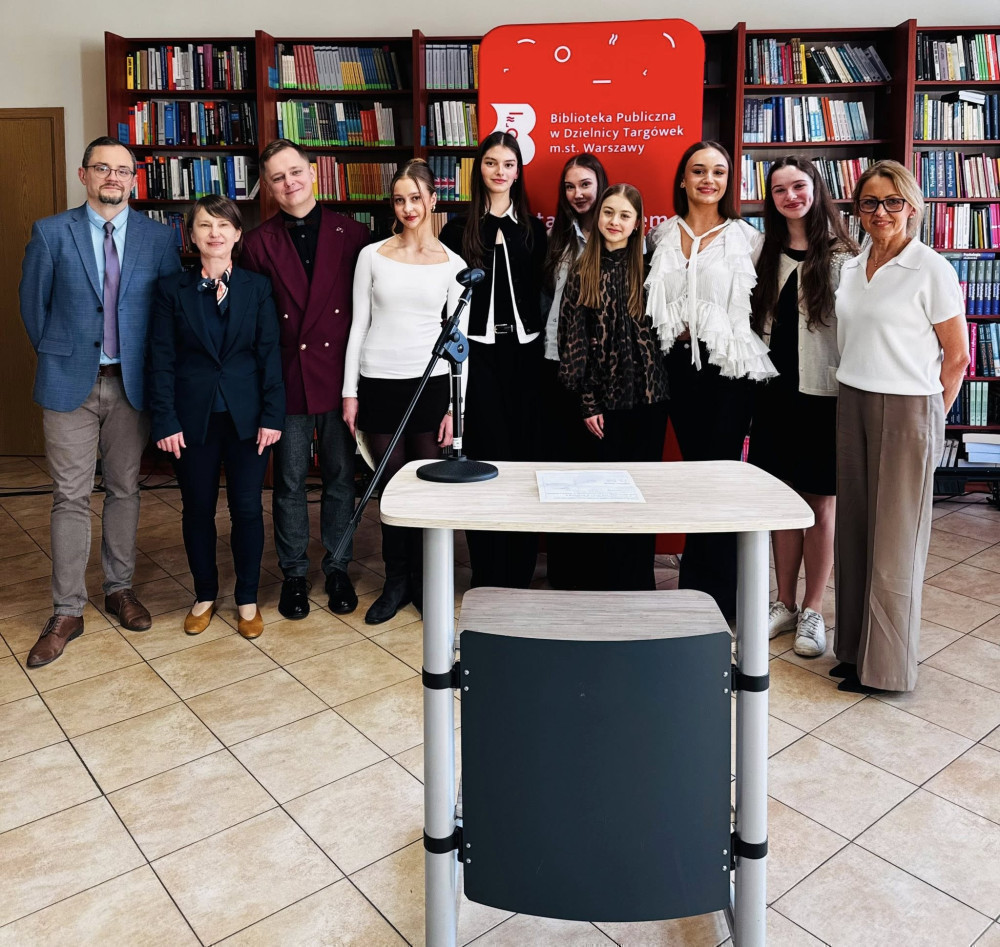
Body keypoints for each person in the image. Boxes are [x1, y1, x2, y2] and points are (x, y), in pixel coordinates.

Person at [18, 136, 181, 669]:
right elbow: (33, 309)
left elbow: (167, 314)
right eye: (102, 168)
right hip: (70, 384)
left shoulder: (159, 238)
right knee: (69, 495)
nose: (113, 177)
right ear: (83, 174)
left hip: (132, 385)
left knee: (125, 488)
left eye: (123, 170)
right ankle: (67, 610)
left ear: (134, 179)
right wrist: (66, 356)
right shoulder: (50, 232)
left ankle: (119, 588)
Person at [833, 160, 968, 694]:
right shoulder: (852, 265)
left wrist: (932, 416)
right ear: (858, 210)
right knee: (855, 533)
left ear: (912, 207)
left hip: (909, 406)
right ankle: (853, 652)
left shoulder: (931, 268)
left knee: (895, 541)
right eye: (870, 202)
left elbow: (957, 357)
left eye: (893, 201)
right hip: (853, 400)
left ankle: (886, 669)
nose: (881, 212)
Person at [645, 140, 776, 618]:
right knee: (692, 477)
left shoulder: (748, 239)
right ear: (683, 179)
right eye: (698, 171)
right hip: (676, 370)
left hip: (728, 373)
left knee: (720, 477)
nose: (708, 180)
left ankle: (721, 595)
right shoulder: (660, 236)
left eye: (718, 172)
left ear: (729, 181)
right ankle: (696, 589)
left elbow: (762, 309)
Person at [241, 140, 370, 621]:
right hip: (287, 379)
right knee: (290, 482)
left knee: (340, 478)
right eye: (277, 177)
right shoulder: (256, 243)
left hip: (341, 378)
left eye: (295, 171)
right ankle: (294, 573)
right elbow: (257, 324)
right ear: (268, 187)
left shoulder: (354, 233)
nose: (289, 182)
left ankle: (337, 567)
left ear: (313, 173)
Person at [148, 196, 284, 639]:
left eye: (224, 225)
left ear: (238, 233)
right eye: (205, 225)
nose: (215, 233)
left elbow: (270, 356)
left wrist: (273, 415)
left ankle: (247, 599)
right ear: (191, 235)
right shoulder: (171, 289)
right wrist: (165, 419)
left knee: (247, 509)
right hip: (191, 421)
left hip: (248, 420)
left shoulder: (257, 287)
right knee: (197, 509)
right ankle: (205, 594)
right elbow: (161, 359)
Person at [343, 159, 467, 624]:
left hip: (431, 386)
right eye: (400, 200)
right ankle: (395, 582)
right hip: (378, 382)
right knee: (391, 490)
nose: (409, 207)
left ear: (433, 200)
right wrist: (349, 392)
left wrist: (456, 408)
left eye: (416, 198)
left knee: (426, 491)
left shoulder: (453, 265)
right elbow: (358, 325)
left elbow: (460, 344)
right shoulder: (372, 256)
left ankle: (423, 582)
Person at [748, 156, 858, 657]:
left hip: (822, 394)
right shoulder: (762, 251)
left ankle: (814, 608)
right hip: (772, 395)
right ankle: (785, 601)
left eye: (799, 186)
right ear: (770, 199)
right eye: (779, 190)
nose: (791, 196)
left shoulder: (843, 257)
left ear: (816, 189)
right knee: (781, 500)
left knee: (819, 501)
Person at [439, 132, 547, 588]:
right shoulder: (455, 230)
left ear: (518, 172)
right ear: (478, 169)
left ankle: (519, 571)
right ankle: (486, 570)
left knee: (523, 463)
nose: (499, 171)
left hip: (526, 357)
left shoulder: (534, 229)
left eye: (508, 164)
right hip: (476, 357)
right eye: (491, 163)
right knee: (483, 461)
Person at [558, 184, 669, 590]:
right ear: (598, 216)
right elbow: (571, 342)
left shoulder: (652, 268)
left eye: (624, 215)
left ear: (638, 223)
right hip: (604, 404)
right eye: (608, 212)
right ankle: (603, 581)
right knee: (605, 493)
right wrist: (588, 402)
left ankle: (638, 581)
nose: (614, 221)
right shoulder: (582, 270)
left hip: (649, 400)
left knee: (642, 493)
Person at [541, 153, 608, 589]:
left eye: (585, 184)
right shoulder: (560, 237)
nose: (577, 193)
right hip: (553, 365)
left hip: (595, 375)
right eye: (570, 186)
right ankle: (563, 572)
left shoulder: (614, 234)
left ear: (600, 185)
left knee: (594, 475)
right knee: (559, 474)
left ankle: (592, 571)